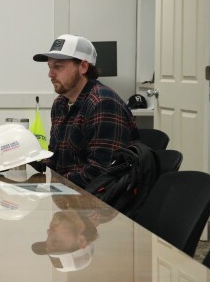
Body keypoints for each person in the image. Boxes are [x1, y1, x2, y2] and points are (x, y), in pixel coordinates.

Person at [32, 34, 137, 187]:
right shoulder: (60, 104)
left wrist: (52, 185)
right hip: (67, 195)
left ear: (83, 67)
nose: (50, 74)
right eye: (50, 67)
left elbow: (100, 174)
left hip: (98, 204)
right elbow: (55, 159)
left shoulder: (102, 103)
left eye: (58, 67)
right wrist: (25, 162)